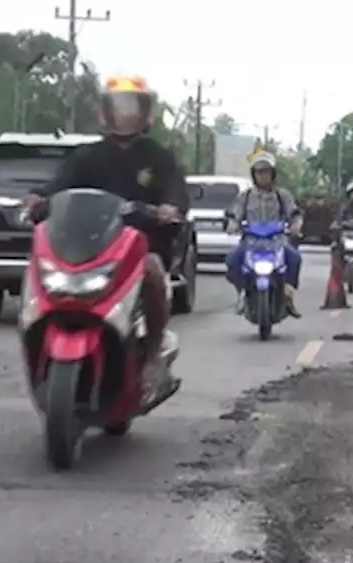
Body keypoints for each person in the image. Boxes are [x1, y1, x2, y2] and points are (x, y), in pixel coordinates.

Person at [27, 74, 187, 391]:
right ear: (105, 112)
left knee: (154, 272)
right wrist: (38, 199)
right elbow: (59, 186)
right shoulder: (87, 156)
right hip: (90, 246)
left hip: (141, 246)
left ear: (145, 113)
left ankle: (153, 353)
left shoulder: (158, 156)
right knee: (39, 269)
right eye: (119, 106)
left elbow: (176, 191)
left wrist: (170, 208)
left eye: (132, 106)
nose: (125, 113)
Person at [225, 152, 304, 317]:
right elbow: (234, 214)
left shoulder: (282, 196)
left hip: (277, 240)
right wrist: (233, 224)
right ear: (253, 174)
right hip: (251, 240)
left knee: (294, 257)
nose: (263, 175)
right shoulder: (245, 197)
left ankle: (288, 294)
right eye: (259, 172)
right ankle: (242, 292)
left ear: (273, 173)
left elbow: (295, 213)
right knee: (233, 259)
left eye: (266, 171)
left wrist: (296, 225)